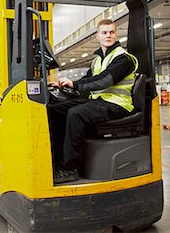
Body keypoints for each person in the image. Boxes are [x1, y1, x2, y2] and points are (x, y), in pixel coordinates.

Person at [48, 19, 139, 184]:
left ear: (116, 34)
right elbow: (89, 79)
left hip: (118, 104)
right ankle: (56, 161)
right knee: (55, 110)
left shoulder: (123, 58)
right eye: (104, 33)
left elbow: (104, 81)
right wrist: (64, 85)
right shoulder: (98, 60)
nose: (108, 35)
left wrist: (75, 84)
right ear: (98, 36)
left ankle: (70, 169)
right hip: (99, 101)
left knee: (75, 114)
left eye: (111, 32)